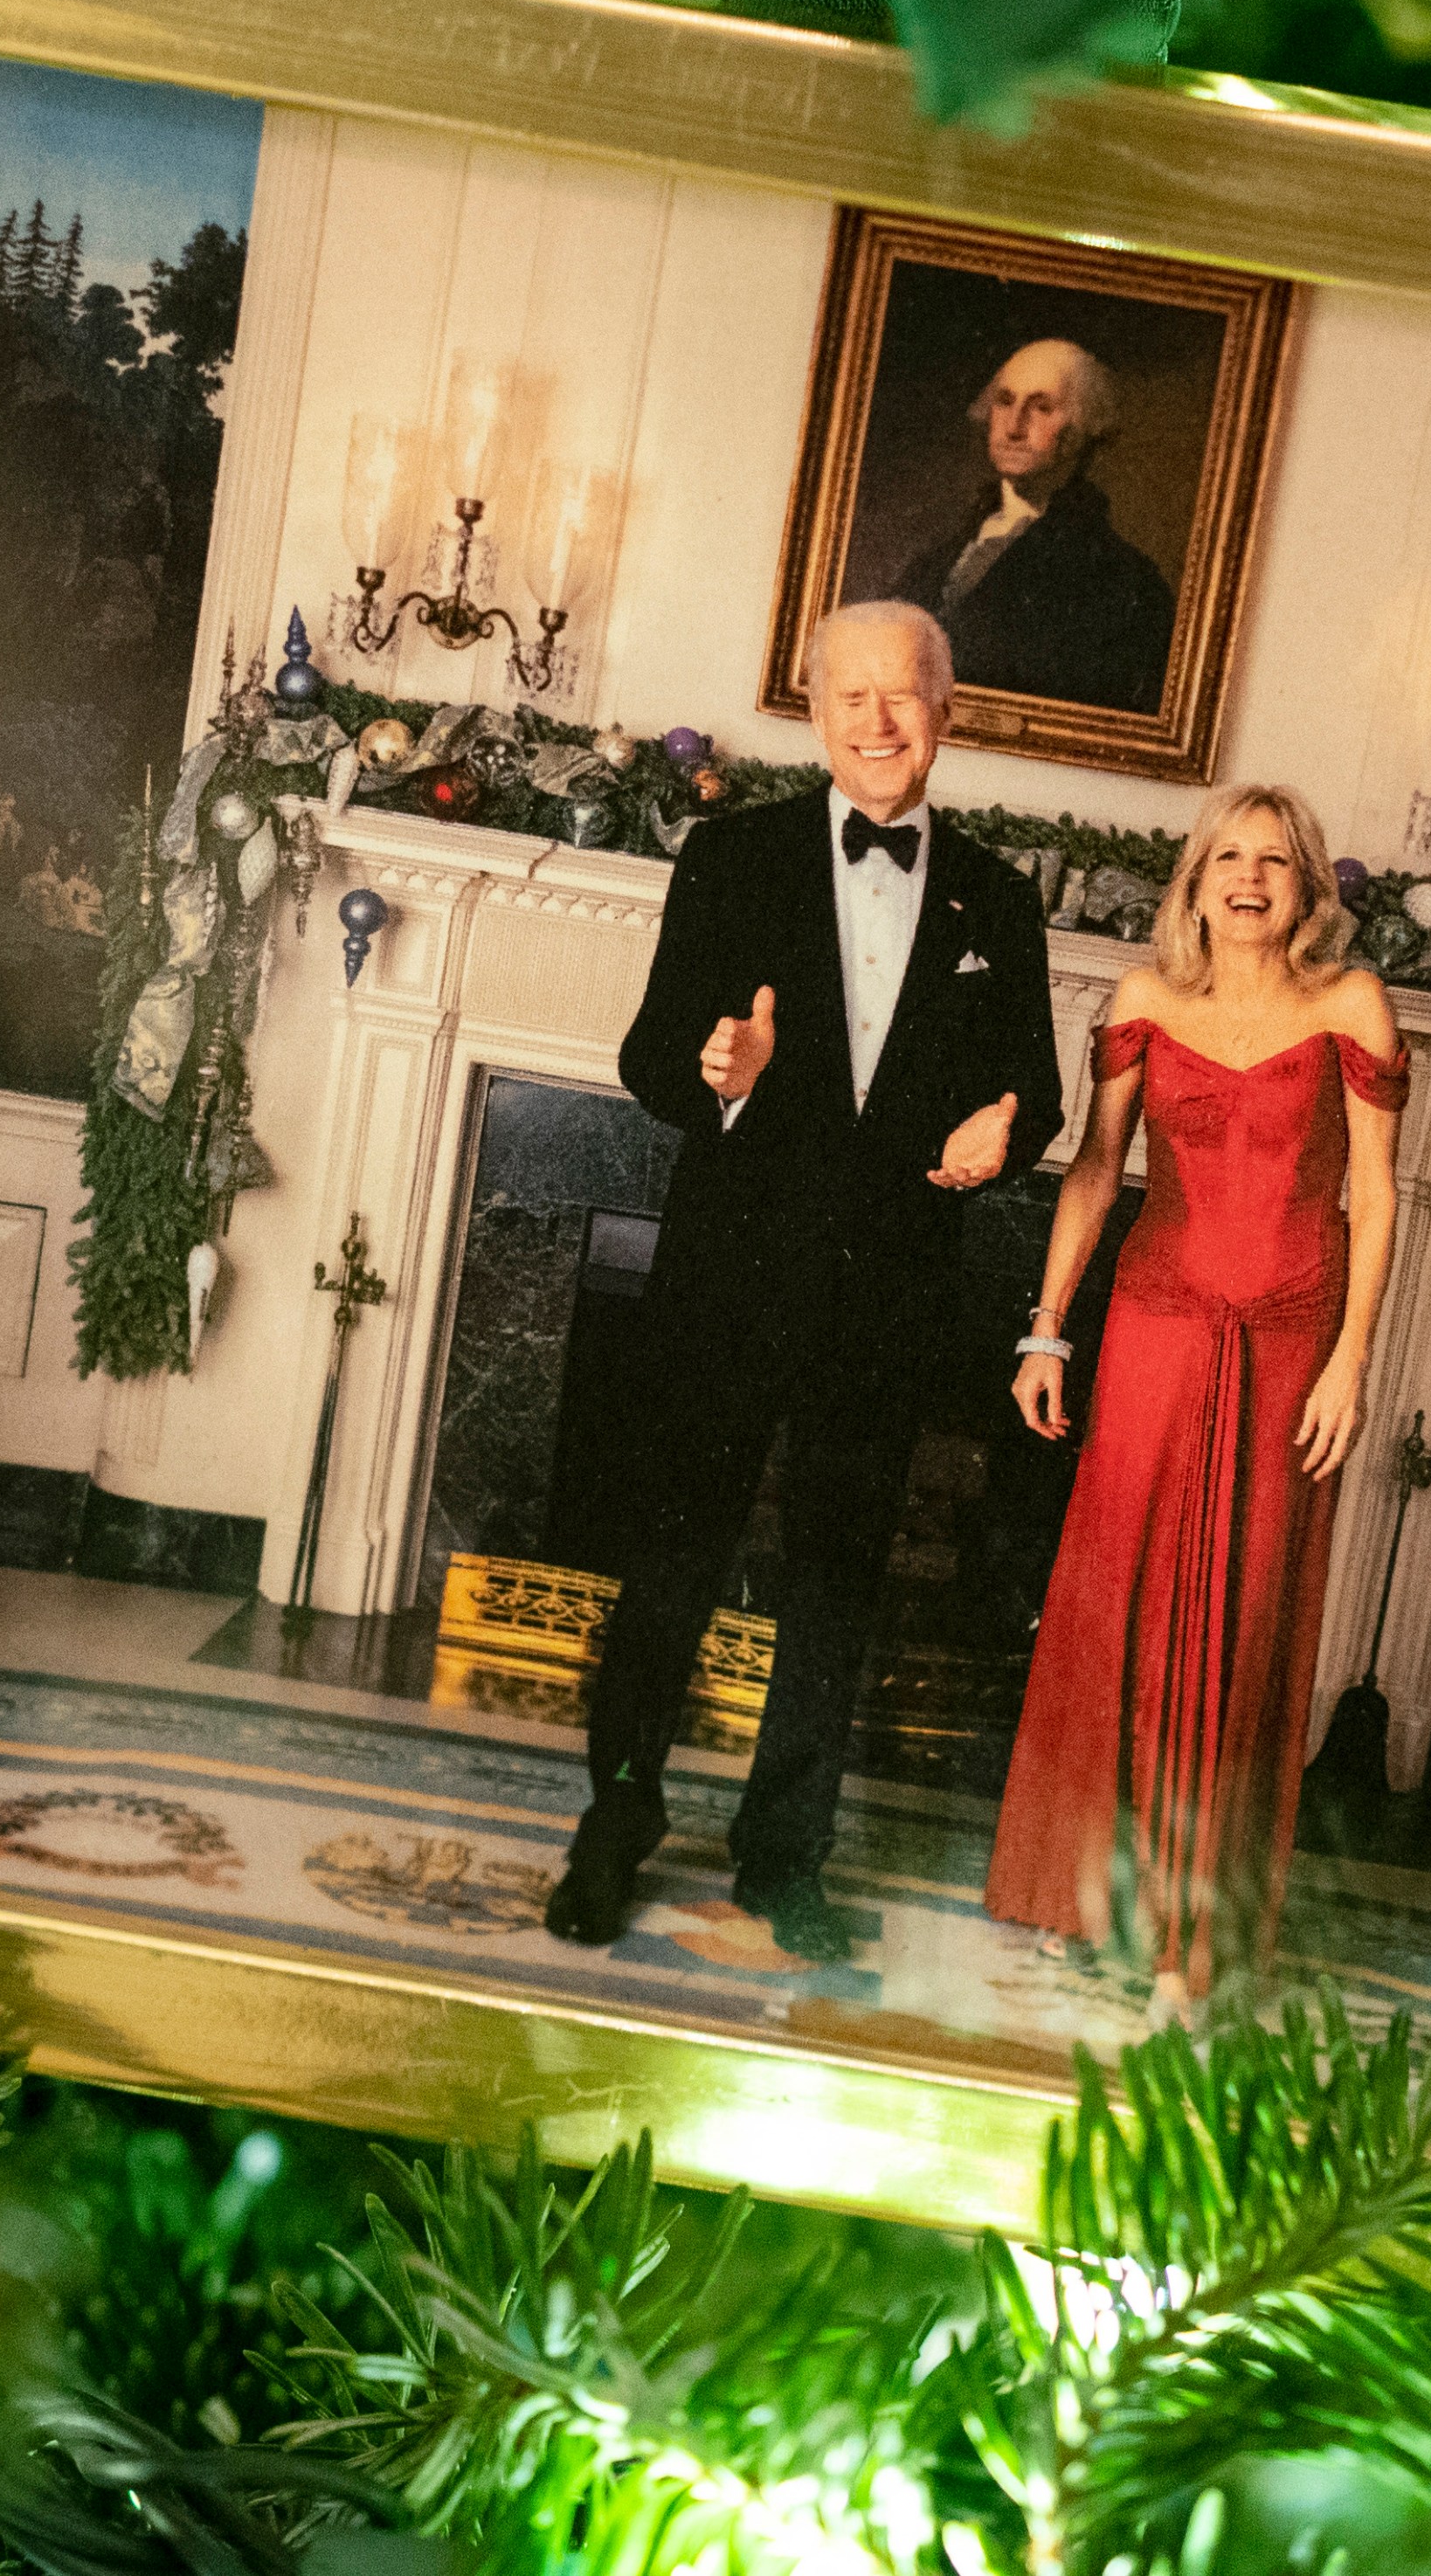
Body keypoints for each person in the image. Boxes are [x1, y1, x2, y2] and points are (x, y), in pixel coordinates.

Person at [549, 600, 1068, 1958]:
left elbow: (1041, 1098)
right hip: (728, 1278)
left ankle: (788, 1854)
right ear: (817, 715)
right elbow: (653, 1055)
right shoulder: (733, 859)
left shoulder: (1000, 902)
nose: (878, 721)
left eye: (904, 697)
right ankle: (616, 1822)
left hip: (886, 1297)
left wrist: (1000, 1133)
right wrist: (723, 1073)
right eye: (853, 698)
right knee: (672, 1561)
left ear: (944, 716)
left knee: (837, 1585)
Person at [984, 784, 1405, 2005]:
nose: (1251, 878)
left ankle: (1187, 1938)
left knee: (1241, 1615)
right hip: (1155, 1322)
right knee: (1118, 1600)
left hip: (1288, 1335)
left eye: (1276, 860)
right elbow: (1097, 1168)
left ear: (1307, 885)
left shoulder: (1350, 1004)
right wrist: (1047, 1330)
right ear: (1194, 878)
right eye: (1229, 856)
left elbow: (1374, 1196)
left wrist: (1354, 1356)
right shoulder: (1145, 1000)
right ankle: (1088, 1890)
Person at [893, 336, 1179, 714]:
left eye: (1042, 408)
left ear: (1084, 429)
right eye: (1005, 402)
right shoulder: (940, 555)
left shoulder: (1125, 582)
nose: (1013, 427)